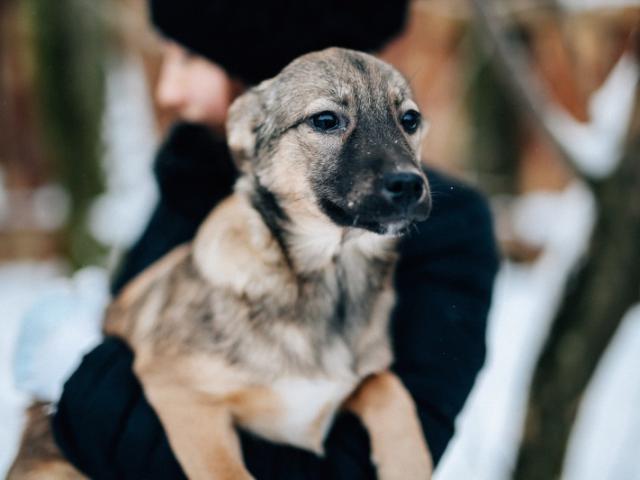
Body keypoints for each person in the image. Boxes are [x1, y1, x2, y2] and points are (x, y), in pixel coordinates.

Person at [50, 1, 500, 478]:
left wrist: (85, 398)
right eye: (328, 121)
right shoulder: (191, 174)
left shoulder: (446, 230)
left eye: (189, 58)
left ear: (273, 75)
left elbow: (351, 469)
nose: (167, 90)